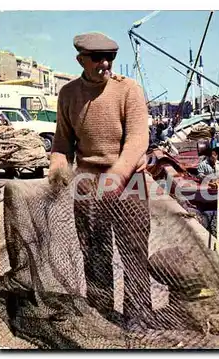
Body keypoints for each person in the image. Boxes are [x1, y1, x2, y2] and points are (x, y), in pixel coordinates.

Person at [48, 32, 151, 327]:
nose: (105, 64)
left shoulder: (129, 90)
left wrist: (117, 175)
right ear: (81, 59)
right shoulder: (68, 94)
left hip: (129, 182)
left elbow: (137, 139)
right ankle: (102, 314)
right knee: (94, 251)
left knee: (133, 251)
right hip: (87, 184)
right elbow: (62, 143)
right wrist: (57, 168)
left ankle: (138, 317)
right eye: (97, 58)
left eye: (110, 58)